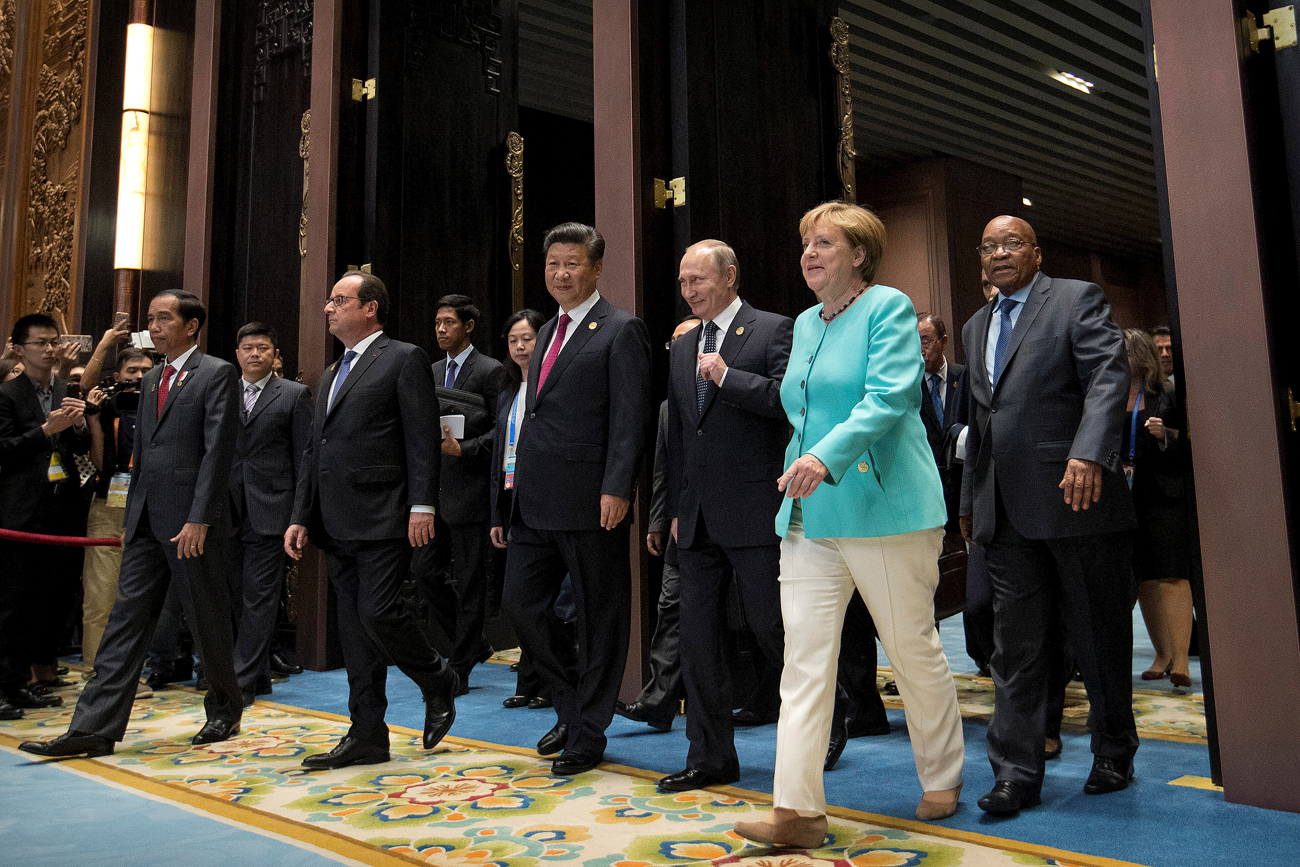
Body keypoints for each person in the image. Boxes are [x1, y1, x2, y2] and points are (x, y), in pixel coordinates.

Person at [734, 202, 964, 850]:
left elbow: (889, 396)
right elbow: (800, 408)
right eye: (806, 242)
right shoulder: (805, 323)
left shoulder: (887, 308)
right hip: (811, 516)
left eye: (825, 242)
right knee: (803, 661)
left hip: (884, 511)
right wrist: (802, 467)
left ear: (859, 254)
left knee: (912, 647)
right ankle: (797, 809)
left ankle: (943, 772)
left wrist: (821, 456)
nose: (809, 252)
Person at [960, 216, 1138, 814]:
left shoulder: (1073, 299)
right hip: (1005, 511)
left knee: (1096, 636)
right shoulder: (975, 324)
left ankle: (1113, 749)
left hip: (1076, 497)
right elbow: (979, 426)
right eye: (988, 246)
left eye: (1012, 243)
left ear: (1036, 253)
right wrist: (970, 502)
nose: (999, 253)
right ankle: (1016, 773)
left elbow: (1108, 376)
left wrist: (1089, 451)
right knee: (1016, 647)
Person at [21, 291, 244, 757]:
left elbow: (218, 453)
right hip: (144, 521)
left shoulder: (217, 372)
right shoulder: (154, 377)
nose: (155, 327)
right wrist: (131, 515)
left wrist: (199, 518)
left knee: (206, 620)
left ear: (192, 326)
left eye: (165, 319)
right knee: (125, 621)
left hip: (191, 523)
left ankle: (225, 706)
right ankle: (94, 727)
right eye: (151, 319)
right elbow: (142, 457)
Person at [285, 271, 458, 769]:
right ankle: (366, 732)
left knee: (379, 612)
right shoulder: (333, 370)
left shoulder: (403, 358)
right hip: (334, 520)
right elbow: (314, 452)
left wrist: (422, 504)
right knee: (356, 629)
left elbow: (421, 437)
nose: (328, 308)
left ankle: (436, 677)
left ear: (371, 309)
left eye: (339, 300)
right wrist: (300, 515)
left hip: (385, 514)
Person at [501, 222, 652, 776]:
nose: (560, 274)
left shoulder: (620, 329)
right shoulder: (544, 333)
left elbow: (630, 418)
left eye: (571, 265)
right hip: (535, 500)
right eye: (552, 265)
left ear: (595, 269)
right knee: (520, 604)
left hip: (593, 501)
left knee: (600, 619)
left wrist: (618, 487)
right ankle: (573, 707)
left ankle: (588, 731)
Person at [657, 241, 792, 793]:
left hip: (757, 512)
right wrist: (671, 510)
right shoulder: (683, 345)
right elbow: (680, 437)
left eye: (699, 281)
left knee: (773, 630)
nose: (689, 292)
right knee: (698, 642)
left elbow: (789, 401)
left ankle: (826, 721)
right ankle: (710, 757)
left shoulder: (772, 329)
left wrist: (727, 376)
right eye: (683, 282)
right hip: (696, 521)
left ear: (730, 276)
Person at [0, 315, 90, 719]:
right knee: (9, 605)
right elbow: (4, 450)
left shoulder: (63, 389)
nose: (51, 349)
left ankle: (20, 684)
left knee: (42, 603)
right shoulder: (7, 394)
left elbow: (78, 446)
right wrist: (45, 430)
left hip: (60, 509)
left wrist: (79, 424)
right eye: (41, 343)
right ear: (19, 349)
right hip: (18, 515)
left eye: (55, 342)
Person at [616, 316, 700, 732]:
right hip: (678, 531)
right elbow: (663, 470)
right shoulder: (668, 406)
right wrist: (658, 519)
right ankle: (658, 701)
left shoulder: (726, 390)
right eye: (674, 346)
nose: (680, 353)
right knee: (670, 610)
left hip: (730, 528)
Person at [227, 322, 312, 705]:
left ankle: (241, 681)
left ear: (274, 355)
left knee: (259, 599)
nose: (255, 354)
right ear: (237, 354)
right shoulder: (221, 392)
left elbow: (304, 460)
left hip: (273, 510)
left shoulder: (294, 395)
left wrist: (299, 515)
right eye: (248, 348)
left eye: (263, 348)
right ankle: (256, 674)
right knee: (232, 596)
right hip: (226, 510)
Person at [426, 294, 501, 691]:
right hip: (433, 489)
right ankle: (471, 642)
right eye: (437, 322)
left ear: (468, 326)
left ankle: (462, 665)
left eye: (449, 323)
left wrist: (466, 449)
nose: (440, 329)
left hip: (471, 489)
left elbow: (503, 432)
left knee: (472, 580)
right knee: (425, 573)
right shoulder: (430, 370)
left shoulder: (490, 371)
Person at [489, 309, 554, 710]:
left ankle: (548, 680)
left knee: (546, 602)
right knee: (520, 599)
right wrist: (497, 514)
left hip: (546, 499)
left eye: (527, 339)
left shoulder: (549, 387)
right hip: (512, 498)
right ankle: (529, 680)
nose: (520, 347)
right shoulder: (508, 390)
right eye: (513, 340)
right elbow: (502, 452)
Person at [1123, 329, 1194, 688]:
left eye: (1125, 352)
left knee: (1170, 575)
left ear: (1141, 355)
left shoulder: (1166, 392)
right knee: (1145, 579)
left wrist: (1165, 435)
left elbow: (1193, 441)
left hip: (1163, 495)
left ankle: (1181, 659)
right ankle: (1162, 654)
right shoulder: (1113, 393)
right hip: (1127, 498)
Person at [81, 347, 154, 670]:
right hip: (109, 503)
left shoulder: (159, 405)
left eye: (145, 371)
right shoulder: (105, 408)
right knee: (100, 596)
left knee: (138, 600)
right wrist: (95, 420)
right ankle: (98, 668)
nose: (138, 377)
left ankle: (132, 668)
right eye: (132, 371)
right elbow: (99, 464)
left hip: (150, 507)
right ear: (117, 376)